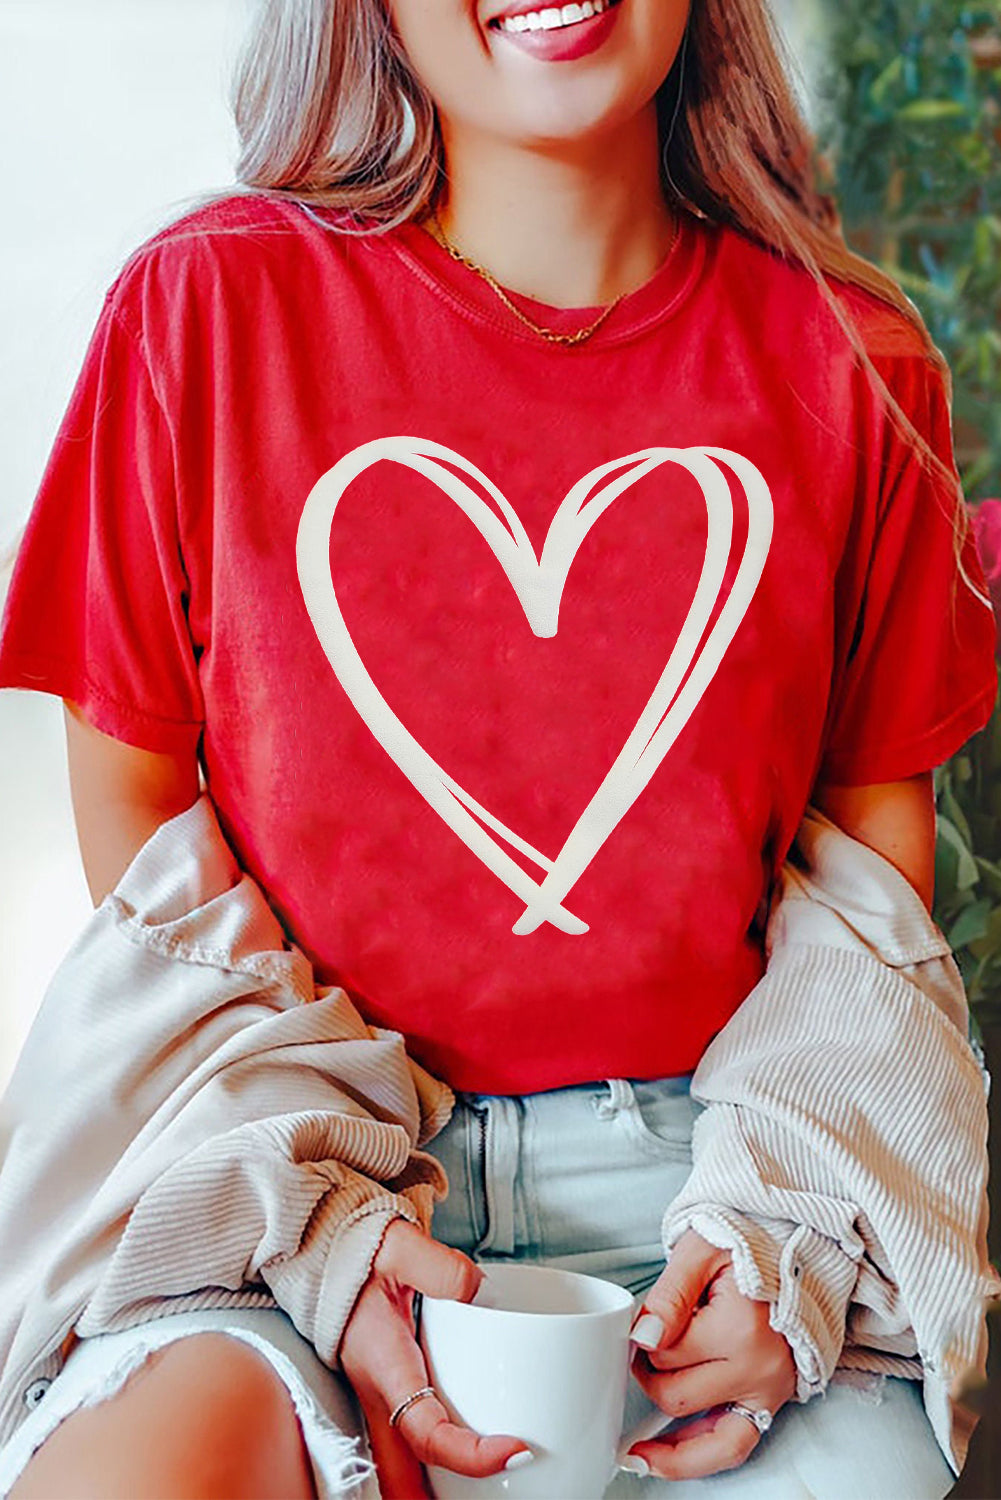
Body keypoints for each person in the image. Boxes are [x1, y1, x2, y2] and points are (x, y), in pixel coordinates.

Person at [0, 0, 997, 1495]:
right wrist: (318, 1223)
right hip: (300, 1167)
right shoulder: (203, 311)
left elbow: (870, 871)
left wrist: (783, 1234)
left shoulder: (852, 362)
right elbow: (145, 833)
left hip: (713, 1189)